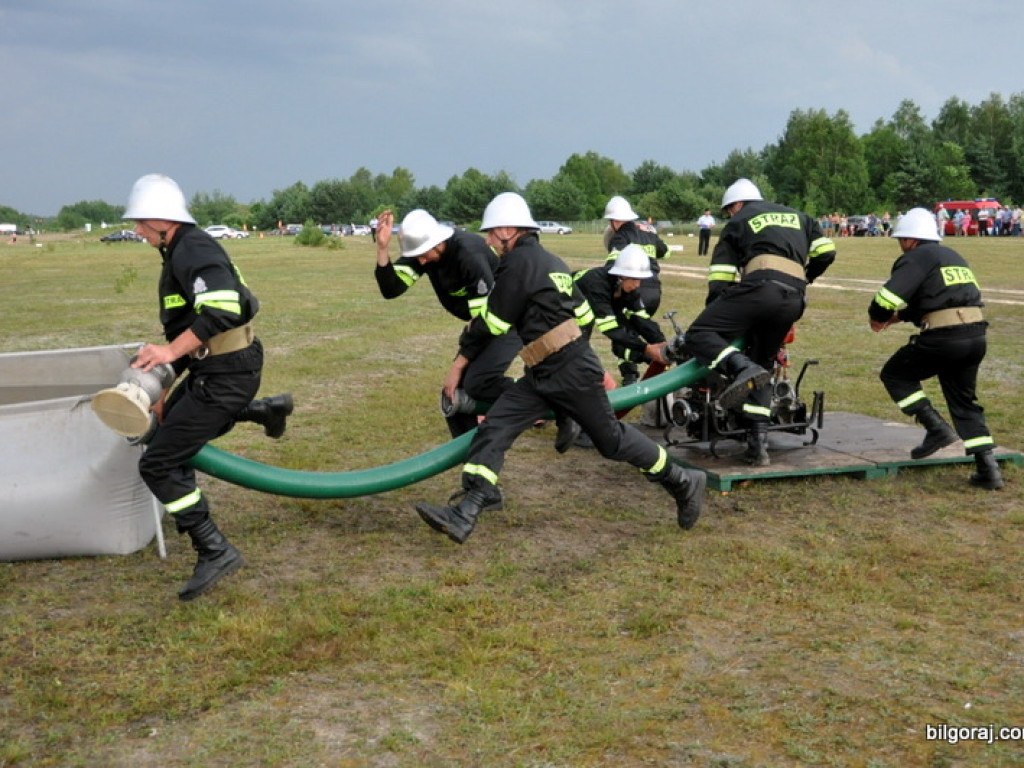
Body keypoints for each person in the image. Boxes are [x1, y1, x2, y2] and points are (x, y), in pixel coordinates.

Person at [414, 192, 705, 544]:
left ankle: (683, 481)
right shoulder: (550, 262)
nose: (489, 241)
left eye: (492, 233)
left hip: (568, 370)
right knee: (497, 426)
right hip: (544, 369)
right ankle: (470, 507)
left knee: (610, 440)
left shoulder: (520, 264)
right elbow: (582, 313)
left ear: (509, 230)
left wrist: (459, 363)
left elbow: (491, 322)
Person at [123, 174, 294, 601]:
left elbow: (221, 310)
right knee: (167, 435)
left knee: (158, 463)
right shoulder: (178, 249)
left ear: (164, 220)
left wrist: (167, 354)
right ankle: (264, 410)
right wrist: (164, 384)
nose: (137, 230)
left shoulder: (193, 249)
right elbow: (188, 329)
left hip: (227, 373)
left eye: (141, 222)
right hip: (217, 370)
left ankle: (214, 549)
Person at [682, 178, 836, 466]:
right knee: (765, 365)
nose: (730, 215)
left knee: (699, 334)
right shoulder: (800, 216)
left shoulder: (739, 220)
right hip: (793, 297)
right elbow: (827, 252)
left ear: (736, 205)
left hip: (759, 288)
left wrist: (718, 313)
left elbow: (721, 278)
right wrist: (806, 277)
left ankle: (742, 368)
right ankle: (758, 445)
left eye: (729, 210)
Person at [868, 207, 1003, 490]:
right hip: (975, 335)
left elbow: (887, 296)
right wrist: (902, 317)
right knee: (964, 401)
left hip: (944, 337)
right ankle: (988, 468)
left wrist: (879, 316)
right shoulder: (953, 257)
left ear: (910, 240)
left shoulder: (916, 257)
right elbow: (941, 297)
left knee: (895, 375)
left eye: (900, 240)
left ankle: (936, 428)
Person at [574, 244, 668, 386]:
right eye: (635, 279)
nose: (637, 285)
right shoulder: (597, 284)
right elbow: (610, 329)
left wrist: (663, 345)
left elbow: (642, 320)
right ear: (621, 276)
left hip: (586, 310)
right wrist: (647, 350)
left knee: (624, 340)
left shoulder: (629, 288)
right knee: (578, 353)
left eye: (640, 280)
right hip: (565, 311)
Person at [603, 195, 670, 383]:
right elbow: (665, 251)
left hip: (634, 289)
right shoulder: (647, 232)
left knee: (622, 337)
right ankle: (661, 357)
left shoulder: (620, 236)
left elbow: (611, 267)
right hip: (654, 291)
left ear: (615, 221)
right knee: (643, 328)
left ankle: (633, 374)